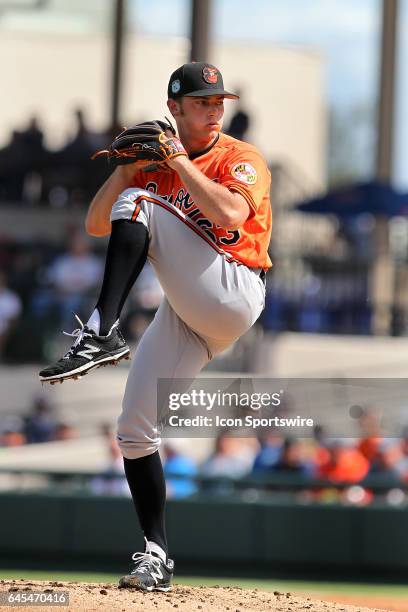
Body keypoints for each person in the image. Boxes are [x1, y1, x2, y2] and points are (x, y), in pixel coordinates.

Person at [39, 62, 272, 592]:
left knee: (143, 201)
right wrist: (124, 170)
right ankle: (156, 553)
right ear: (174, 109)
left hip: (234, 289)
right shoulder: (149, 168)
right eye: (201, 103)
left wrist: (175, 166)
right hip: (189, 313)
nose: (213, 110)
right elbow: (96, 225)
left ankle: (101, 331)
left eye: (218, 102)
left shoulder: (240, 157)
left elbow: (232, 215)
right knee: (134, 431)